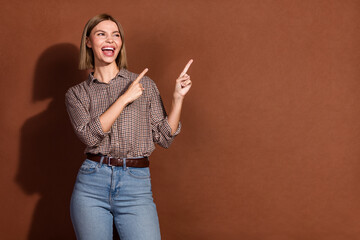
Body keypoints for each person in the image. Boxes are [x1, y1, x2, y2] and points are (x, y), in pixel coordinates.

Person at [65, 13, 192, 240]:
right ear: (88, 42)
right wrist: (124, 99)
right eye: (101, 34)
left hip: (136, 183)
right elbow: (89, 136)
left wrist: (178, 98)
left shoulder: (144, 84)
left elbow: (165, 137)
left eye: (116, 35)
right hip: (91, 184)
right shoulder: (77, 94)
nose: (110, 40)